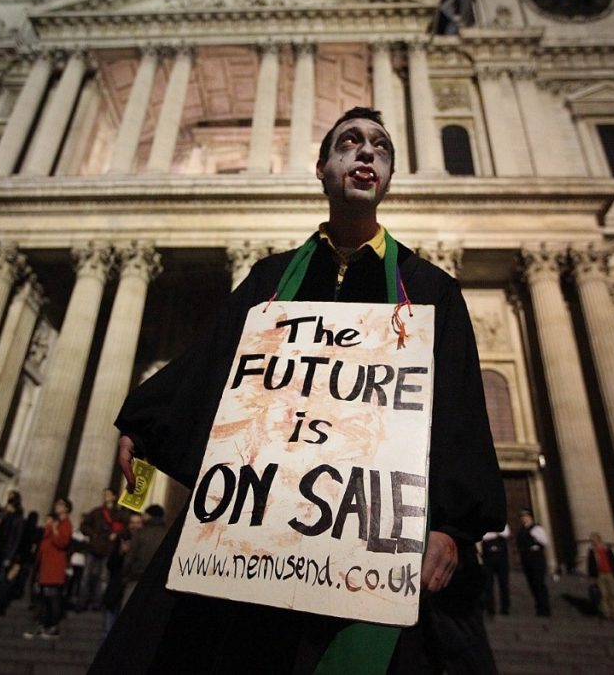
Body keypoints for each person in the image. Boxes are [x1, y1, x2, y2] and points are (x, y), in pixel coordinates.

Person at [93, 107, 506, 673]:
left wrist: (451, 527)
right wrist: (146, 422)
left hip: (371, 552)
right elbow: (212, 363)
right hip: (255, 541)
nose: (366, 152)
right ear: (321, 167)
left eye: (380, 147)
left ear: (387, 177)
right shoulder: (270, 278)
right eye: (350, 143)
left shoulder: (432, 291)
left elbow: (458, 416)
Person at [24, 498, 73, 639]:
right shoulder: (54, 523)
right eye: (56, 504)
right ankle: (42, 624)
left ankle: (53, 626)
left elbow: (62, 542)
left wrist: (55, 528)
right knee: (44, 598)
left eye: (60, 505)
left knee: (52, 598)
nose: (56, 506)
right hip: (45, 565)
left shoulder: (66, 524)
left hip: (54, 567)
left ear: (67, 508)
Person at [79, 488, 126, 611]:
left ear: (114, 497)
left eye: (109, 495)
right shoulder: (96, 512)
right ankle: (82, 602)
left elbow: (125, 529)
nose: (106, 497)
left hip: (108, 549)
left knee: (103, 578)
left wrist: (117, 534)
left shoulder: (119, 514)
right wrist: (92, 533)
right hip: (93, 548)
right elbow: (84, 525)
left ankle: (97, 603)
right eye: (105, 494)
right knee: (86, 576)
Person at [516, 510, 550, 617]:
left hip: (536, 558)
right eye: (522, 517)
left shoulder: (536, 528)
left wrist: (534, 536)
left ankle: (545, 608)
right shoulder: (521, 530)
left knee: (538, 582)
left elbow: (545, 541)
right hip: (527, 558)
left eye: (525, 516)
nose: (523, 518)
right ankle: (539, 607)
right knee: (532, 583)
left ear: (530, 517)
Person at [586, 533, 614, 620]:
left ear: (599, 539)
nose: (593, 542)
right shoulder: (592, 551)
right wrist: (592, 576)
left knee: (612, 593)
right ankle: (606, 612)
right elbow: (590, 564)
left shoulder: (607, 549)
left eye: (594, 540)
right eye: (592, 540)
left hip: (609, 573)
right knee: (603, 594)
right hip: (600, 574)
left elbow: (613, 560)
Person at [481, 524, 511, 616]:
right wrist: (496, 533)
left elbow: (506, 533)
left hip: (501, 557)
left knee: (504, 583)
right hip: (488, 557)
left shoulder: (502, 522)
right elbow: (483, 536)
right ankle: (490, 608)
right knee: (488, 584)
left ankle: (505, 608)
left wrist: (493, 533)